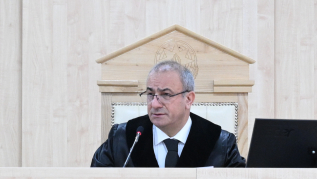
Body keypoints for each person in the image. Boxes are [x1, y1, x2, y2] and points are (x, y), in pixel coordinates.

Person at [90, 61, 246, 167]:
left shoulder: (221, 144)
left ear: (189, 99)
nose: (154, 104)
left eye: (166, 94)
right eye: (150, 94)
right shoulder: (122, 139)